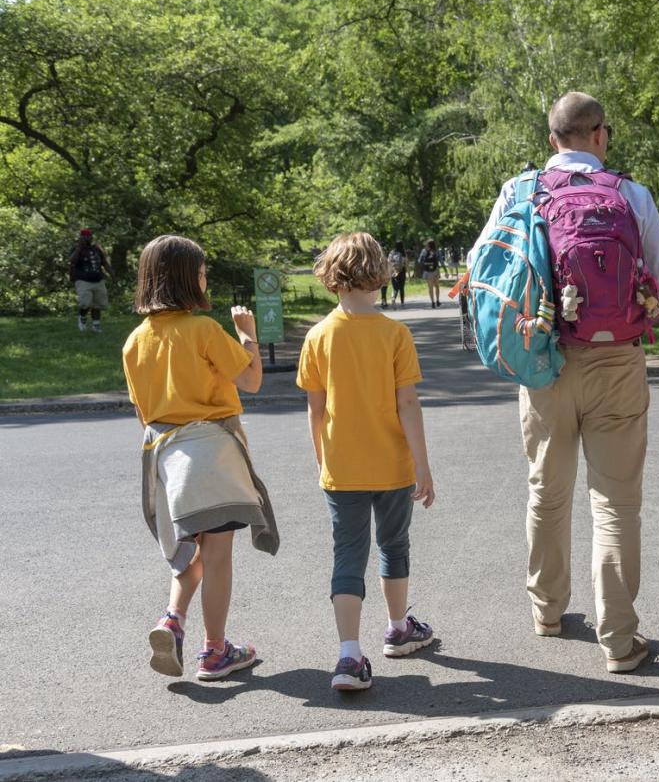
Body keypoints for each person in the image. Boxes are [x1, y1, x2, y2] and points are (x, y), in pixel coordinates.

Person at [471, 91, 659, 673]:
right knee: (617, 504)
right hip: (618, 363)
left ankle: (548, 610)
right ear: (601, 135)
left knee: (547, 492)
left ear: (552, 141)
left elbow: (482, 265)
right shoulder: (630, 194)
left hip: (545, 360)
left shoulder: (521, 191)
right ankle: (619, 641)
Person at [122, 235, 277, 682]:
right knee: (219, 555)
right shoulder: (203, 329)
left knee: (190, 553)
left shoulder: (135, 342)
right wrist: (248, 335)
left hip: (166, 458)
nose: (206, 277)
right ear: (186, 279)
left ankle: (172, 619)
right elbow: (250, 381)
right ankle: (214, 651)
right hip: (212, 454)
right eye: (202, 271)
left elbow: (142, 413)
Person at [298, 231, 437, 692]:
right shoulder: (394, 334)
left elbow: (316, 411)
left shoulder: (318, 336)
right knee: (393, 546)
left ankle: (348, 654)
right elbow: (408, 405)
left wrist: (323, 461)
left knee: (347, 556)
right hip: (392, 464)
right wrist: (423, 465)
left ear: (331, 277)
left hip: (343, 468)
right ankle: (398, 628)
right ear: (380, 274)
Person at [69, 228, 114, 332]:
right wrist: (80, 247)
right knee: (85, 303)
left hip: (98, 279)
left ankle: (96, 325)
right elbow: (72, 261)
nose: (87, 238)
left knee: (98, 304)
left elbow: (105, 263)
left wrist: (112, 275)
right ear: (81, 237)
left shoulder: (96, 249)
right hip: (82, 279)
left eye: (89, 236)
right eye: (84, 236)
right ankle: (82, 319)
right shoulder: (76, 248)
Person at [382, 241, 408, 309]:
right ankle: (402, 303)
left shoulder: (392, 252)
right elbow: (406, 262)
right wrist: (408, 272)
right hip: (402, 271)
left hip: (393, 272)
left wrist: (390, 271)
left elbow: (388, 262)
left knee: (395, 288)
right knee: (402, 288)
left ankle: (393, 298)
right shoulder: (403, 252)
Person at [416, 240, 442, 308]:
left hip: (427, 271)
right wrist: (445, 271)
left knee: (430, 288)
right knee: (437, 286)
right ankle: (437, 300)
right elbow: (441, 260)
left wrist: (425, 264)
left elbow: (419, 261)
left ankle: (432, 302)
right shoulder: (436, 251)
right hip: (435, 270)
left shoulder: (423, 251)